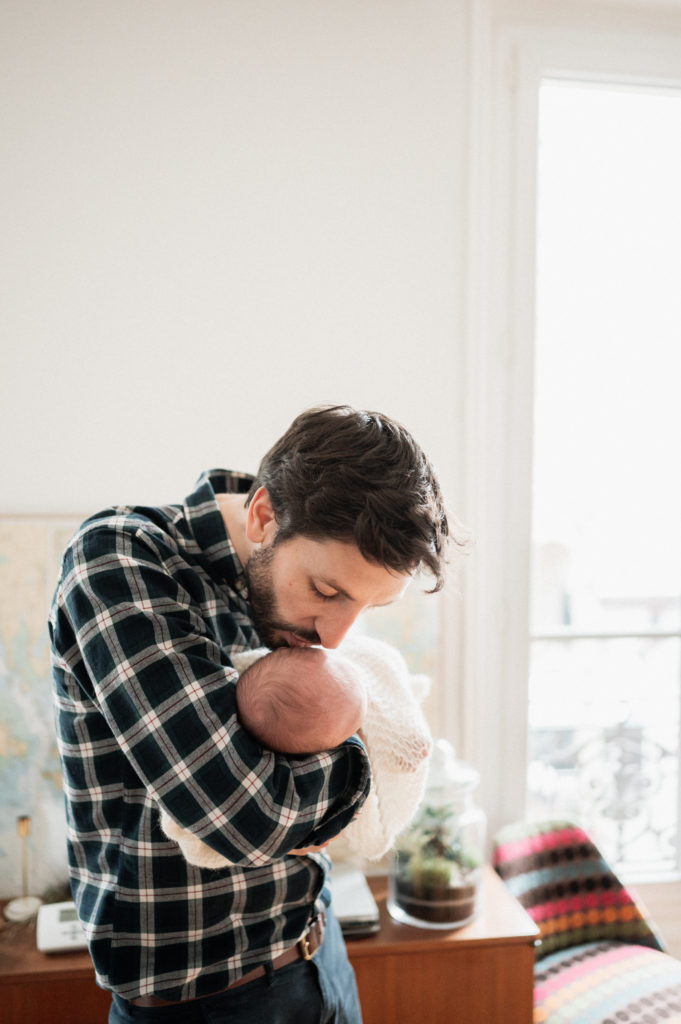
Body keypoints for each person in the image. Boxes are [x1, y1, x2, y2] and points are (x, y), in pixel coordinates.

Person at [49, 404, 453, 1024]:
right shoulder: (123, 560)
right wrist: (358, 768)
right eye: (327, 592)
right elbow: (238, 817)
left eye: (367, 608)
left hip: (323, 954)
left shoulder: (306, 595)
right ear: (263, 516)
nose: (336, 637)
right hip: (202, 1007)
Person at [161, 635, 432, 868]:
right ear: (316, 752)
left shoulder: (271, 680)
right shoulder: (282, 774)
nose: (361, 729)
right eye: (352, 731)